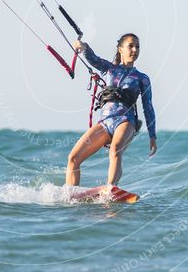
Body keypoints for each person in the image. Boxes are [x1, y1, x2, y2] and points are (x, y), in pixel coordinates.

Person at [66, 33, 157, 186]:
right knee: (73, 158)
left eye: (137, 46)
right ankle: (70, 196)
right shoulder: (109, 69)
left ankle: (111, 189)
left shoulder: (142, 78)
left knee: (115, 150)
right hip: (105, 122)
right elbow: (93, 59)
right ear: (120, 49)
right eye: (131, 46)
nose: (135, 49)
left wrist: (152, 135)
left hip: (126, 121)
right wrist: (83, 46)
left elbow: (148, 107)